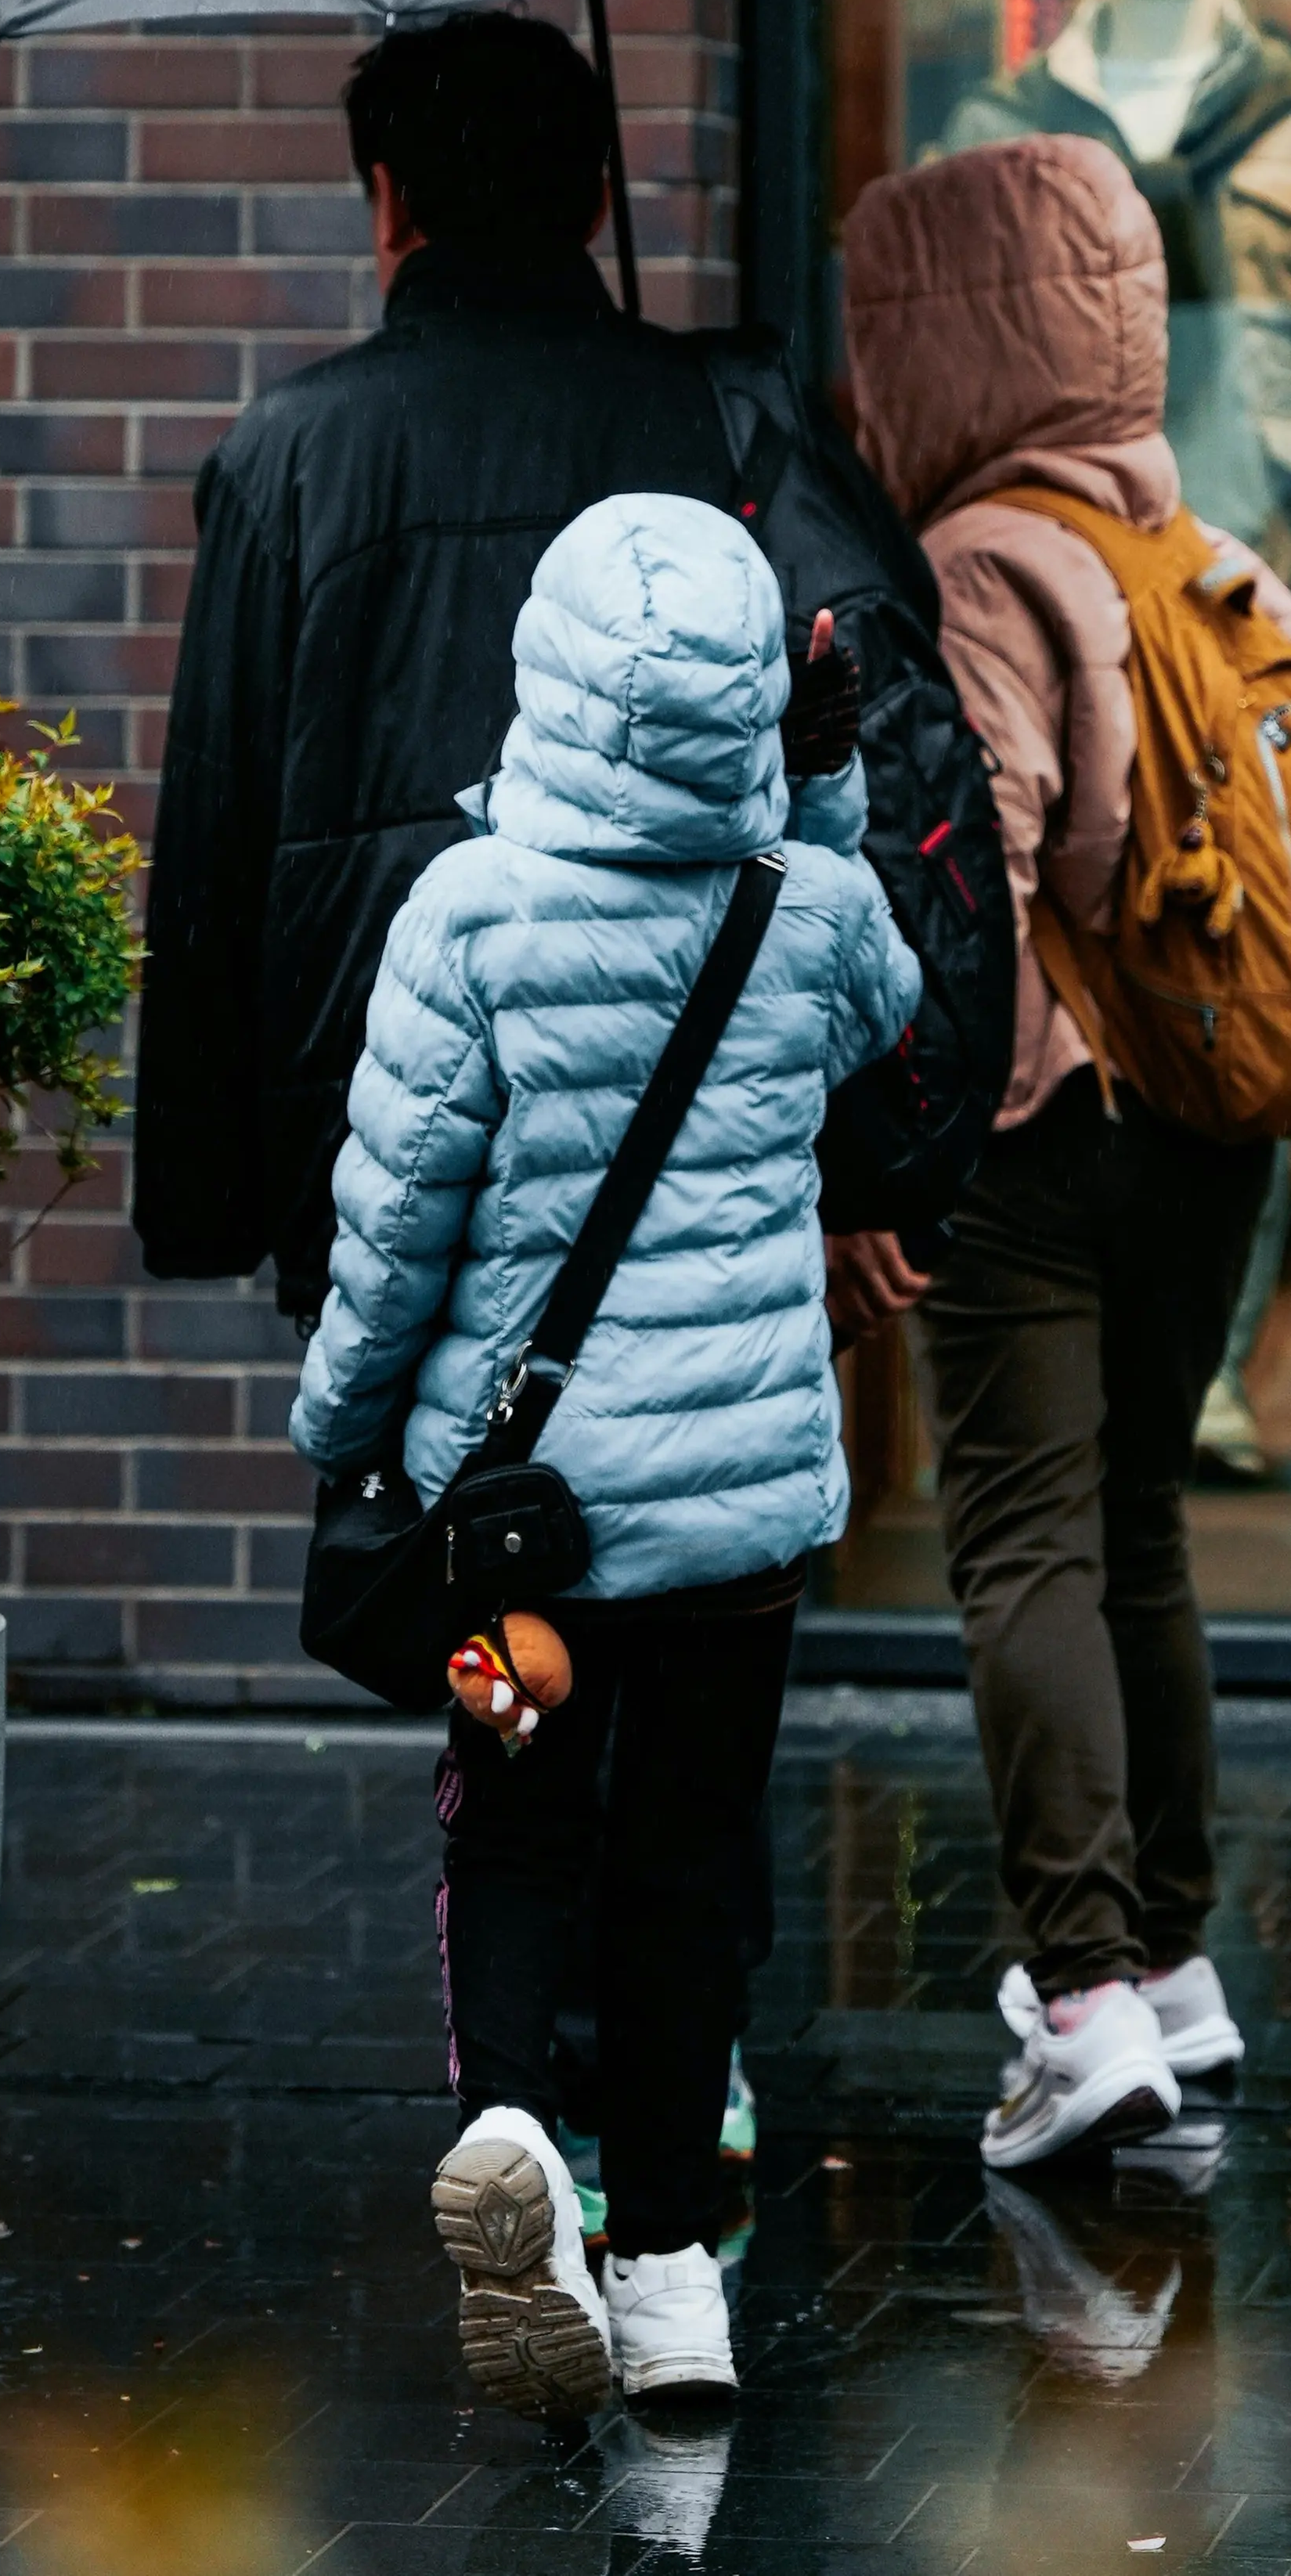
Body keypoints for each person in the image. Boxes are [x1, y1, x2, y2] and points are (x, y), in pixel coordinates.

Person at [289, 491, 920, 2417]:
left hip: (525, 1533)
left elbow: (396, 1224)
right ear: (751, 698)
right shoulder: (807, 911)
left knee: (521, 1826)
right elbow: (884, 1016)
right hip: (733, 1525)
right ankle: (667, 2284)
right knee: (690, 1866)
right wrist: (813, 787)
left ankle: (514, 2144)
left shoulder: (470, 915)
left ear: (546, 679)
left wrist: (344, 1432)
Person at [135, 8, 1004, 1353]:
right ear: (599, 197)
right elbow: (861, 743)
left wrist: (205, 1205)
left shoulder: (288, 455)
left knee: (408, 1525)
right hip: (688, 1122)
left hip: (382, 1136)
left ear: (388, 200)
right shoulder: (732, 420)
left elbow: (215, 847)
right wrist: (879, 1150)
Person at [840, 134, 1291, 2167]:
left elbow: (987, 870)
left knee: (1022, 1539)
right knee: (1137, 1525)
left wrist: (911, 1152)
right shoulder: (1201, 551)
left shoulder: (982, 566)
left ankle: (1089, 1993)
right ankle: (1180, 1969)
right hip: (1212, 1119)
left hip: (1042, 1119)